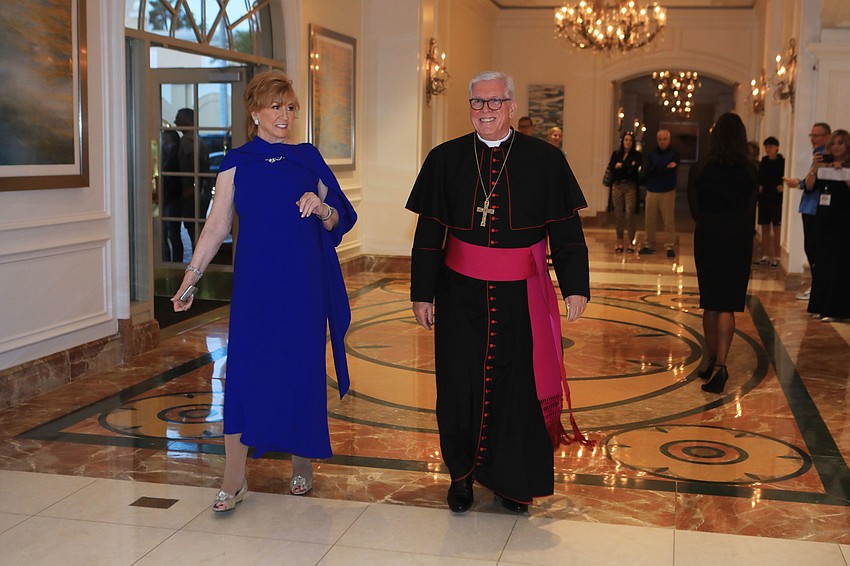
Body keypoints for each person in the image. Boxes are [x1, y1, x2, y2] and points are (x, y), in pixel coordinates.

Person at [406, 71, 591, 515]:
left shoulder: (545, 160)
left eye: (494, 102)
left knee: (518, 388)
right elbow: (429, 233)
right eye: (477, 103)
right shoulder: (444, 159)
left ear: (510, 106)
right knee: (458, 384)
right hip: (459, 294)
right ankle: (462, 476)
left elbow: (565, 230)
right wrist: (422, 292)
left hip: (522, 296)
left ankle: (513, 481)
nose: (485, 110)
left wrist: (576, 286)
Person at [172, 71, 357, 511]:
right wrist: (190, 279)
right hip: (257, 288)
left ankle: (302, 462)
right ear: (254, 112)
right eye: (276, 106)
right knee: (245, 376)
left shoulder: (307, 158)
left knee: (301, 371)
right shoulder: (236, 161)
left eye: (290, 107)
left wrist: (322, 206)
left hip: (303, 286)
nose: (284, 115)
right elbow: (216, 227)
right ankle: (234, 478)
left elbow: (341, 218)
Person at [687, 113, 757, 394]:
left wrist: (712, 221)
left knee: (710, 301)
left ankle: (710, 358)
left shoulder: (701, 167)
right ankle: (721, 366)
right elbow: (751, 209)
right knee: (728, 303)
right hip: (738, 238)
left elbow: (694, 210)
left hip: (709, 236)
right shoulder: (752, 169)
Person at [802, 129, 850, 322]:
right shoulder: (823, 164)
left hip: (843, 220)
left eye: (840, 143)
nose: (836, 147)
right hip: (824, 218)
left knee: (839, 263)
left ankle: (836, 309)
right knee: (821, 262)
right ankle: (820, 305)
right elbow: (810, 185)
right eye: (834, 143)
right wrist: (815, 167)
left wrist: (842, 171)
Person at [785, 122, 831, 300]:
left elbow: (817, 183)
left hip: (818, 208)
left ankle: (818, 286)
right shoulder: (817, 155)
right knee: (811, 247)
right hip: (810, 207)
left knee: (816, 248)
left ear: (827, 136)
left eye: (817, 135)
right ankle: (816, 284)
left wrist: (800, 183)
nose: (813, 139)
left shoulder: (826, 155)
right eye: (812, 135)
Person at [641, 129, 681, 258]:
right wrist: (663, 168)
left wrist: (656, 169)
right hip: (652, 190)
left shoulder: (675, 154)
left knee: (668, 221)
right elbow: (647, 170)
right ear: (657, 140)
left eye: (665, 139)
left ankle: (669, 246)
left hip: (668, 191)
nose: (662, 141)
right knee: (649, 220)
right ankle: (649, 245)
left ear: (669, 140)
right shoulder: (651, 154)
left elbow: (670, 171)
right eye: (660, 139)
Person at [175, 108, 213, 224]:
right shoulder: (197, 140)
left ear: (186, 121)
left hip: (193, 192)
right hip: (199, 190)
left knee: (193, 227)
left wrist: (190, 188)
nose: (175, 122)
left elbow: (194, 165)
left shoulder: (188, 141)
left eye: (178, 119)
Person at [607, 131, 642, 253]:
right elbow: (612, 168)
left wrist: (622, 167)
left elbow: (633, 170)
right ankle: (619, 240)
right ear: (623, 141)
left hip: (630, 187)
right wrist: (625, 167)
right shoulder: (616, 154)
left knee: (629, 214)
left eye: (630, 140)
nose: (628, 142)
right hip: (617, 186)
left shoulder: (637, 155)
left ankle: (631, 241)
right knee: (618, 214)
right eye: (626, 140)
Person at [753, 137, 784, 267]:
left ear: (776, 148)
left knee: (777, 229)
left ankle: (777, 256)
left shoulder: (782, 163)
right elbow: (760, 178)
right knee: (765, 227)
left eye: (770, 147)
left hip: (776, 199)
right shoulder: (763, 163)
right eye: (766, 147)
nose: (768, 150)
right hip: (764, 198)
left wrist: (781, 186)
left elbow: (783, 177)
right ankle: (765, 255)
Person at [160, 129, 184, 262]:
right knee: (166, 233)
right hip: (167, 198)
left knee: (174, 233)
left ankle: (176, 261)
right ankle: (168, 259)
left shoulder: (177, 155)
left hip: (174, 198)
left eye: (166, 140)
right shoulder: (164, 154)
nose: (164, 142)